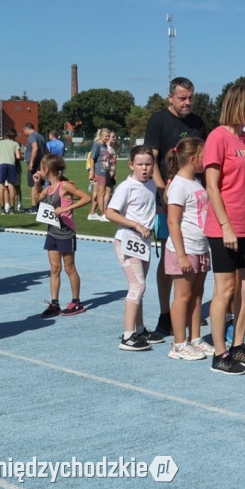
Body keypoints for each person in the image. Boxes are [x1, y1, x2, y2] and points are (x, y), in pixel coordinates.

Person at [204, 83, 245, 375]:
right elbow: (212, 187)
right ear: (239, 105)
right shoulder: (218, 137)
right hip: (224, 227)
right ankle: (220, 353)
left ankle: (239, 345)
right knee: (225, 290)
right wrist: (226, 225)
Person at [145, 77, 207, 338]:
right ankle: (165, 313)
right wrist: (163, 193)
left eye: (190, 97)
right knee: (170, 253)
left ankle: (188, 316)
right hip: (167, 196)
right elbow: (152, 158)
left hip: (194, 197)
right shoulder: (158, 120)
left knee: (193, 251)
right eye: (182, 98)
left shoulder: (198, 123)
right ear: (170, 97)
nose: (187, 103)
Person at [106, 146, 163, 351]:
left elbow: (151, 207)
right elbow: (110, 213)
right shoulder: (125, 187)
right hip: (127, 240)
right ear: (131, 165)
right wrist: (135, 225)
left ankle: (139, 329)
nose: (144, 168)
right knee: (137, 286)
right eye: (140, 164)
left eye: (148, 164)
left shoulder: (151, 185)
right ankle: (127, 335)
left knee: (140, 286)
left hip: (143, 243)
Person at [164, 138, 213, 361]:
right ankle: (178, 343)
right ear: (193, 159)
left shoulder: (196, 181)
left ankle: (195, 338)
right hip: (184, 249)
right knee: (183, 296)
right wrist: (181, 255)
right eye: (205, 155)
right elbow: (173, 222)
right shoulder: (179, 185)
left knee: (197, 295)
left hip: (200, 246)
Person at [31, 155, 92, 317]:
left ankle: (76, 301)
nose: (39, 171)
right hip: (52, 232)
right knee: (54, 268)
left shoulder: (64, 186)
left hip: (66, 233)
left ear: (47, 170)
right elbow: (35, 200)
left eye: (41, 168)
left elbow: (87, 198)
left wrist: (65, 209)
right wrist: (36, 184)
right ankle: (54, 303)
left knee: (69, 267)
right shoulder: (48, 188)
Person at [0, 129, 22, 214]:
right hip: (11, 165)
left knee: (1, 186)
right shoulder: (15, 144)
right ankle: (12, 208)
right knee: (11, 186)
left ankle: (2, 208)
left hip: (1, 164)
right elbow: (18, 156)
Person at [87, 129, 112, 221]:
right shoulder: (97, 145)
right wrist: (92, 172)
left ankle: (92, 213)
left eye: (108, 136)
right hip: (99, 172)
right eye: (106, 136)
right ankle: (103, 214)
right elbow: (92, 159)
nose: (107, 138)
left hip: (104, 172)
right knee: (101, 193)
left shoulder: (105, 145)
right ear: (101, 135)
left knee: (98, 193)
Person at [22, 123, 47, 193]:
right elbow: (46, 150)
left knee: (33, 184)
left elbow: (35, 148)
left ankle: (34, 203)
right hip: (40, 163)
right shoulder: (40, 136)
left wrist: (31, 163)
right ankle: (40, 202)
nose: (24, 133)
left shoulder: (32, 136)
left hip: (34, 164)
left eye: (23, 131)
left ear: (26, 129)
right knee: (39, 183)